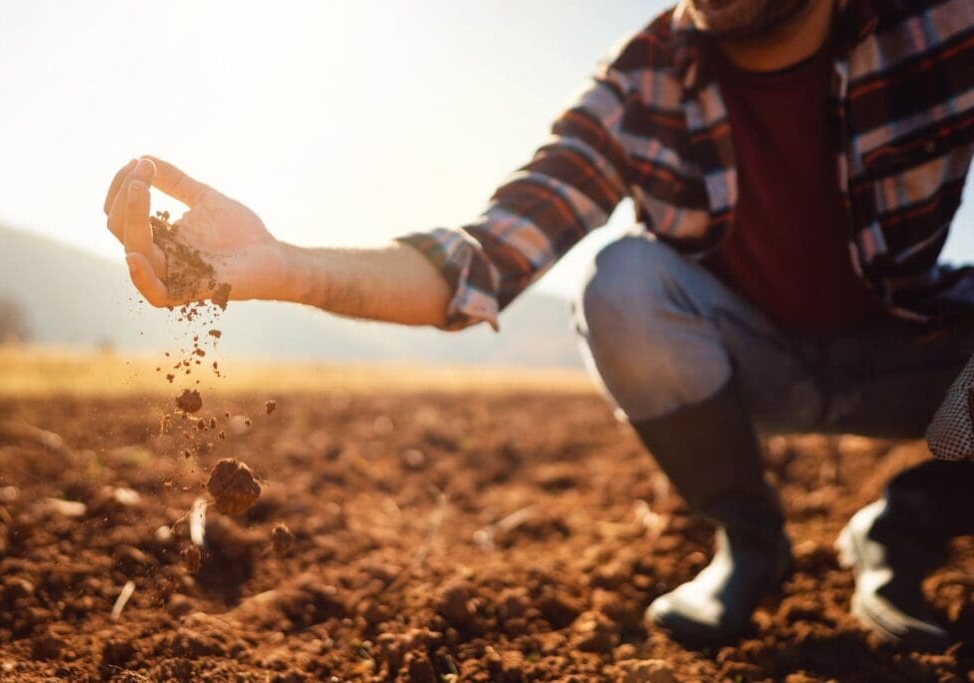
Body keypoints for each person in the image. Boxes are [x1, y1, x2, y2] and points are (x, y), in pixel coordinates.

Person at [104, 0, 974, 651]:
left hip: (914, 353)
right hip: (748, 364)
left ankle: (906, 531)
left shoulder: (939, 24)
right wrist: (289, 263)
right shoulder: (640, 81)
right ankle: (749, 545)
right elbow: (489, 256)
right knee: (624, 283)